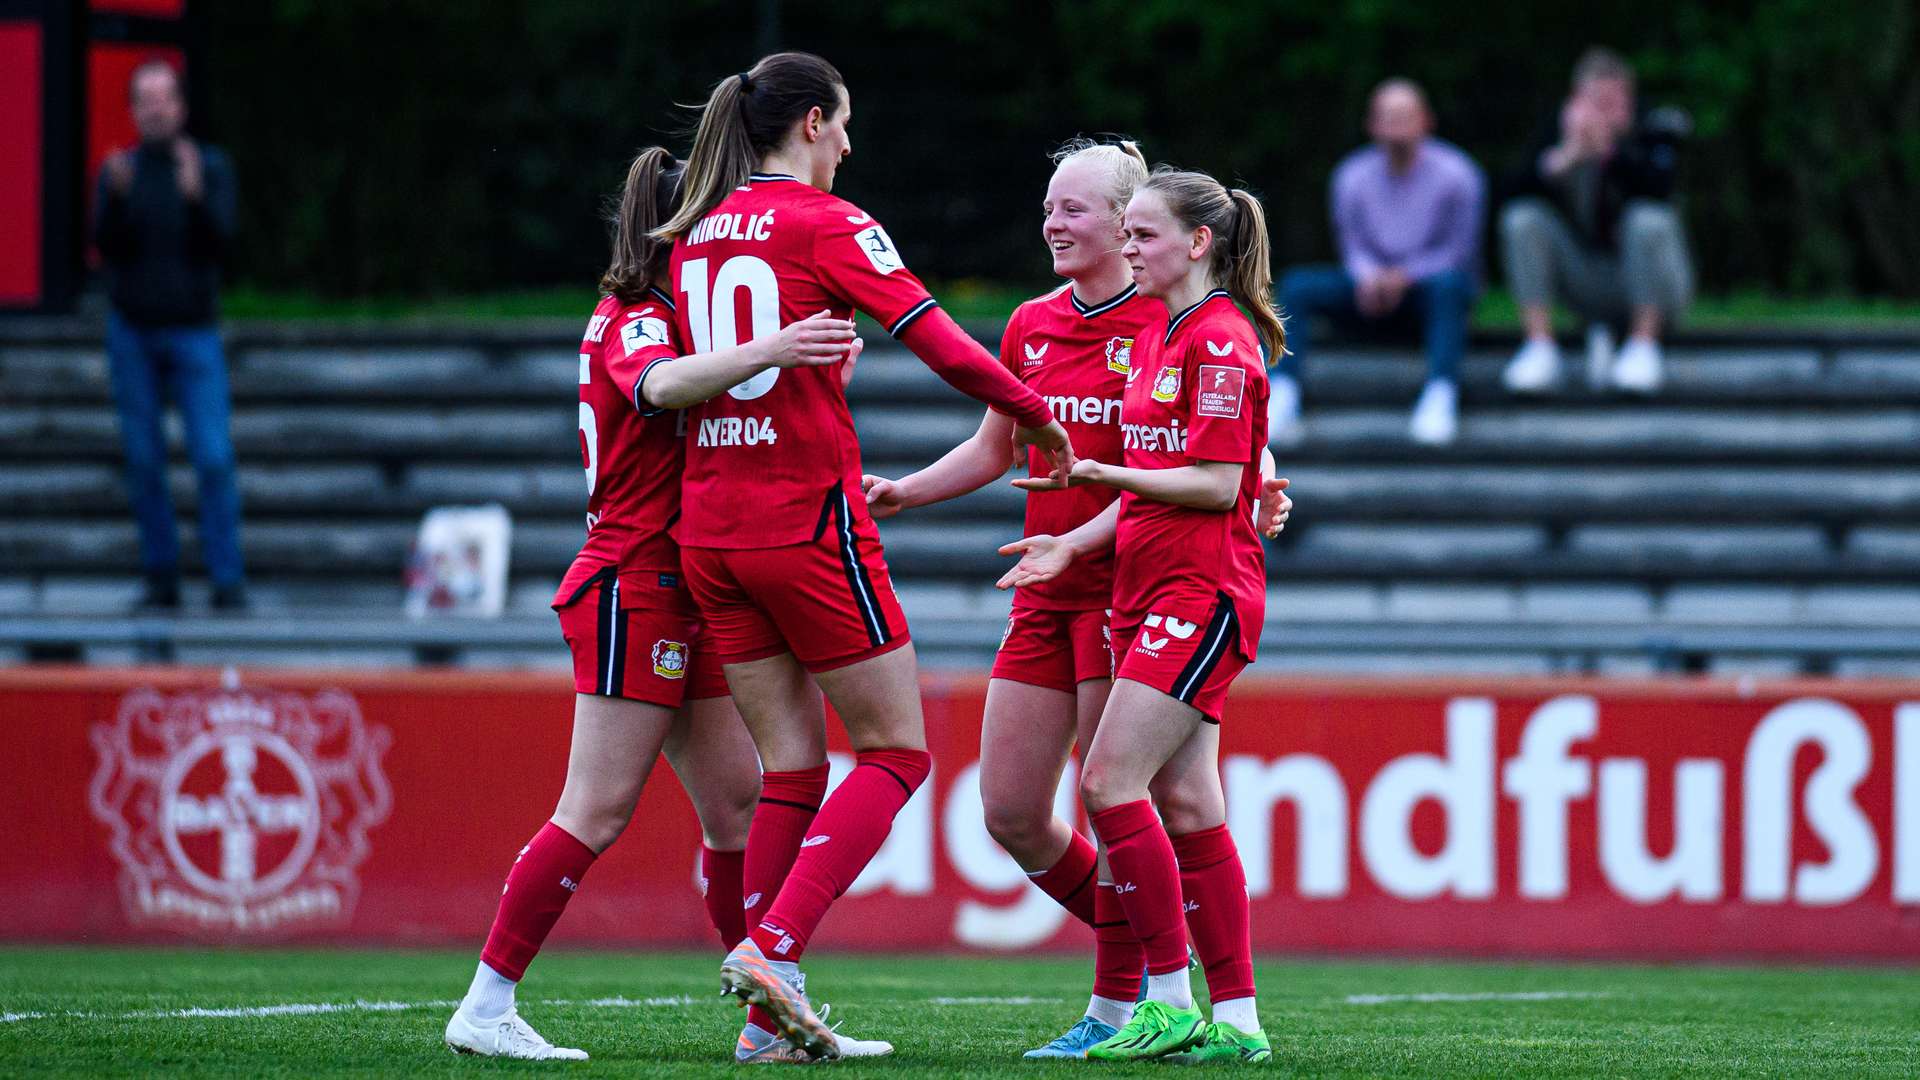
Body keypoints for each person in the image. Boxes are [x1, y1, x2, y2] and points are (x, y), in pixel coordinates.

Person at [653, 53, 1074, 1061]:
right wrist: (1037, 416)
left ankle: (765, 1024)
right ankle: (775, 948)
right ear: (807, 123)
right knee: (896, 749)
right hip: (804, 519)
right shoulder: (825, 221)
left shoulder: (693, 231)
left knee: (792, 765)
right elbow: (937, 339)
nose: (848, 143)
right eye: (840, 124)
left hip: (712, 526)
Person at [442, 148, 884, 1063]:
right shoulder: (637, 316)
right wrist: (773, 346)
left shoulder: (685, 316)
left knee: (737, 810)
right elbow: (654, 387)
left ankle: (768, 1019)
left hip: (691, 584)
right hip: (633, 583)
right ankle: (486, 1004)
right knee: (595, 809)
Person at [862, 138, 1292, 1060]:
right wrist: (909, 490)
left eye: (1082, 212)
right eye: (1050, 208)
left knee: (1122, 790)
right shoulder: (1046, 324)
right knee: (1026, 808)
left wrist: (1257, 474)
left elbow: (1217, 452)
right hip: (1078, 571)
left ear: (1161, 233)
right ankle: (1206, 1005)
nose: (1055, 224)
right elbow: (1000, 447)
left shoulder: (1179, 323)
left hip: (1150, 583)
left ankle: (1138, 999)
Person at [1018, 167, 1279, 1062]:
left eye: (1144, 235)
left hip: (1198, 594)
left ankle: (1163, 997)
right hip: (1144, 586)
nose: (1128, 248)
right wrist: (1074, 546)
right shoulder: (1167, 337)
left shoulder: (1217, 339)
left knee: (1105, 783)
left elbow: (1212, 485)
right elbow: (1183, 480)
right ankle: (1237, 1024)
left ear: (1198, 243)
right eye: (1124, 233)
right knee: (1187, 798)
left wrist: (1104, 473)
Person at [92, 58, 246, 611]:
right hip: (133, 334)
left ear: (180, 107)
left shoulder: (209, 167)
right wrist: (117, 201)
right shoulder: (117, 172)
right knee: (143, 460)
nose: (155, 109)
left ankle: (226, 580)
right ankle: (162, 579)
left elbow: (222, 244)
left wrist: (195, 195)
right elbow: (105, 249)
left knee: (212, 457)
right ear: (134, 110)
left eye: (164, 98)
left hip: (194, 335)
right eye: (145, 99)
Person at [1272, 78, 1484, 446]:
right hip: (1368, 291)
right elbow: (1352, 245)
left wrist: (1405, 277)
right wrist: (1369, 277)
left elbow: (1459, 251)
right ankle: (1283, 389)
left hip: (1430, 292)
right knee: (1297, 286)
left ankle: (1441, 392)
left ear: (1426, 121)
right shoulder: (1350, 176)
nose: (1397, 127)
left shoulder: (1459, 174)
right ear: (1372, 125)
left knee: (1451, 284)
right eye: (1388, 117)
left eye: (1405, 116)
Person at [1500, 46, 1693, 396]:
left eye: (1613, 102)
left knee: (1646, 220)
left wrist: (1613, 153)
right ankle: (1540, 346)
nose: (1604, 113)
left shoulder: (1654, 129)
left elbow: (1660, 191)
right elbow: (1507, 193)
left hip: (1659, 288)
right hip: (1588, 280)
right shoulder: (1557, 133)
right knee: (1523, 219)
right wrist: (1565, 158)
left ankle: (1643, 345)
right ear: (1575, 101)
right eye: (1596, 102)